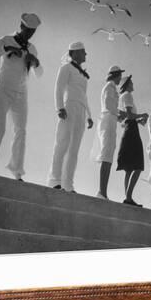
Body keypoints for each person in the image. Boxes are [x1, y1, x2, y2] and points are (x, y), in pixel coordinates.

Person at [0, 13, 42, 180]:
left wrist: (36, 62)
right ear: (21, 26)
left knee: (21, 131)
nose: (30, 34)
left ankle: (17, 171)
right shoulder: (7, 40)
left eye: (33, 31)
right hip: (4, 90)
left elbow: (39, 74)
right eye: (28, 30)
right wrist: (8, 49)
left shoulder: (32, 49)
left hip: (22, 94)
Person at [48, 42, 93, 192]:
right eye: (83, 52)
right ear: (74, 53)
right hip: (69, 107)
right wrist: (59, 107)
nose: (86, 55)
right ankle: (55, 180)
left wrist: (89, 115)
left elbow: (84, 96)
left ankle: (68, 184)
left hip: (80, 110)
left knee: (74, 150)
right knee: (62, 143)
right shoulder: (66, 68)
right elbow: (59, 87)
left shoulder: (82, 74)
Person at [116, 76, 149, 207]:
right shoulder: (128, 95)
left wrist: (139, 120)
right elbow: (129, 115)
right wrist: (142, 115)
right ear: (128, 85)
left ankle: (128, 197)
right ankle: (128, 197)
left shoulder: (123, 96)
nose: (133, 83)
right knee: (138, 166)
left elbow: (125, 118)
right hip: (132, 131)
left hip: (129, 128)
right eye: (131, 82)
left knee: (129, 168)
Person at [95, 65, 125, 199]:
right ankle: (101, 192)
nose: (120, 78)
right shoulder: (109, 87)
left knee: (108, 156)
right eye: (119, 75)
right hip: (107, 121)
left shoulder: (112, 88)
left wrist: (118, 115)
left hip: (111, 121)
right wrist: (121, 112)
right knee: (106, 156)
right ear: (115, 75)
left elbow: (111, 107)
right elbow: (108, 106)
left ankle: (103, 192)